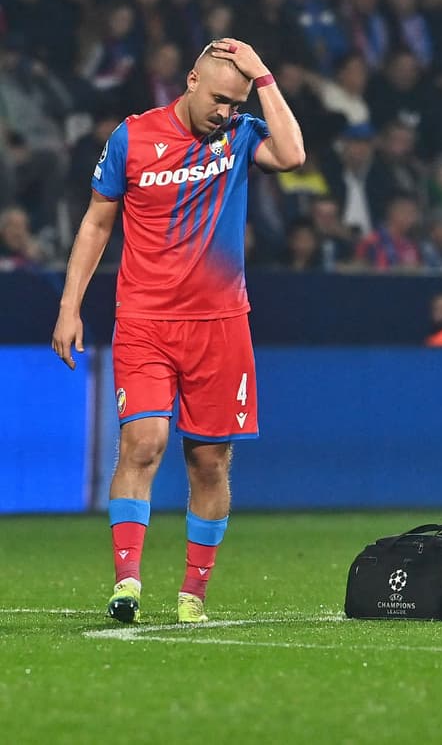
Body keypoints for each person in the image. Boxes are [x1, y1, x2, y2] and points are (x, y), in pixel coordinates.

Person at [51, 39, 305, 625]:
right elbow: (95, 222)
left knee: (209, 463)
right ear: (190, 80)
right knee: (143, 444)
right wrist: (71, 306)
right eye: (218, 98)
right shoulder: (133, 137)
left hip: (221, 324)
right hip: (144, 321)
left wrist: (263, 75)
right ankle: (127, 584)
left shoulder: (240, 135)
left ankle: (193, 594)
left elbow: (292, 155)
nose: (224, 111)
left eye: (234, 102)